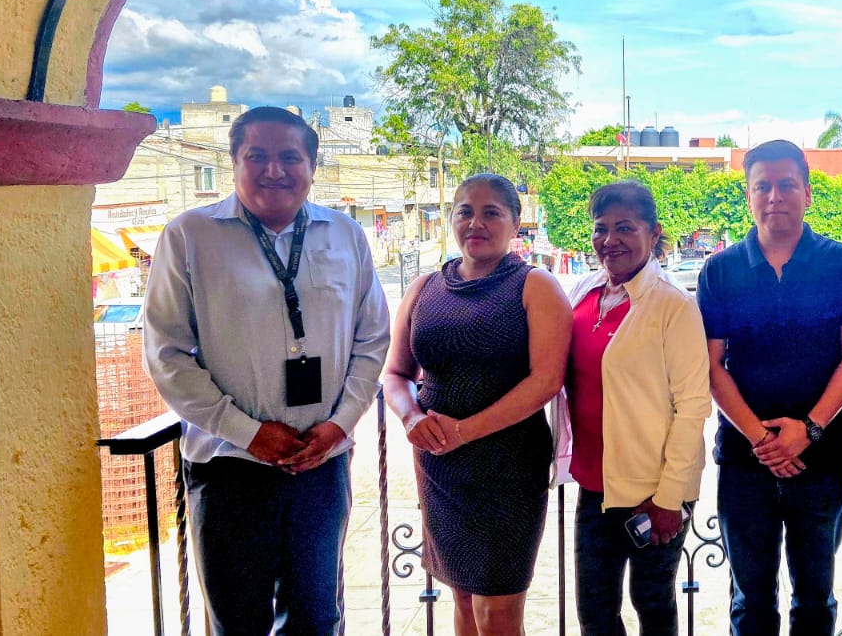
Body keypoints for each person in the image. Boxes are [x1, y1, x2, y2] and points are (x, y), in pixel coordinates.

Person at [143, 106, 391, 635]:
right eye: (257, 156)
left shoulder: (345, 235)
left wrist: (340, 424)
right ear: (234, 162)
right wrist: (248, 433)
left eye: (289, 157)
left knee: (316, 618)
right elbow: (167, 353)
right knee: (238, 621)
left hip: (320, 462)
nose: (274, 170)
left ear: (312, 167)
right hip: (230, 465)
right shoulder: (190, 236)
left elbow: (371, 339)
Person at [695, 140, 842, 636]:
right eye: (763, 186)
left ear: (807, 192)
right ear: (749, 195)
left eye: (786, 185)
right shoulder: (720, 271)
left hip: (820, 459)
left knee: (815, 598)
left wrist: (809, 430)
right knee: (750, 600)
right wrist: (761, 439)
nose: (774, 196)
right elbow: (712, 365)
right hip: (744, 460)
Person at [380, 173, 573, 635]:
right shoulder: (424, 288)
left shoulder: (535, 286)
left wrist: (464, 431)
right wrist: (410, 417)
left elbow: (546, 380)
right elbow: (394, 374)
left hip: (508, 467)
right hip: (440, 466)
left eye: (492, 213)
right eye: (465, 211)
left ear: (515, 223)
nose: (476, 223)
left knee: (497, 611)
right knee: (463, 600)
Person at [564, 180, 712, 635]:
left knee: (651, 602)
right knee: (595, 613)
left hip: (654, 489)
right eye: (601, 228)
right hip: (595, 483)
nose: (610, 240)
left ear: (654, 233)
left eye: (625, 227)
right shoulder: (584, 293)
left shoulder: (673, 306)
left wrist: (669, 498)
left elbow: (693, 407)